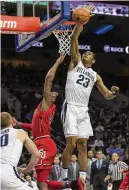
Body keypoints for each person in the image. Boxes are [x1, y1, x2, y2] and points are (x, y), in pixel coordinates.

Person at [61, 4, 119, 189]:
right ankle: (64, 177)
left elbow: (107, 95)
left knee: (84, 144)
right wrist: (80, 24)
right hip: (70, 105)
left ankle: (82, 179)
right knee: (71, 143)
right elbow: (73, 42)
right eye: (85, 52)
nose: (86, 53)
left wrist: (114, 93)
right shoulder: (75, 63)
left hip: (83, 110)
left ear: (93, 60)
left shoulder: (95, 75)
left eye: (89, 54)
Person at [14, 55, 83, 190]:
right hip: (43, 142)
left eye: (54, 95)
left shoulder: (46, 105)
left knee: (41, 182)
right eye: (52, 93)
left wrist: (57, 62)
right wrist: (19, 123)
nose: (52, 94)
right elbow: (34, 127)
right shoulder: (43, 111)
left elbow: (48, 80)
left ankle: (73, 184)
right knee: (41, 183)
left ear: (52, 100)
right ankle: (73, 184)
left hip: (44, 144)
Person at [0, 112, 40, 190]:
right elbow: (36, 154)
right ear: (12, 121)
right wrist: (26, 170)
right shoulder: (20, 132)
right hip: (8, 173)